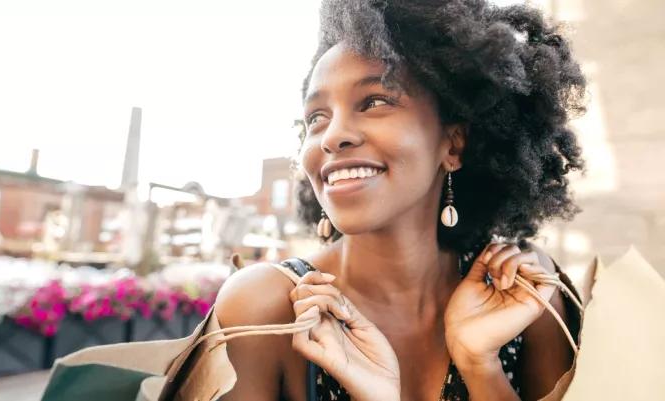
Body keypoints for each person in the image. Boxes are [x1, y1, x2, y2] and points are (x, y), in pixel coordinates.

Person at [214, 0, 586, 400]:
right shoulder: (265, 309)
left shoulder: (522, 293)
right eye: (316, 117)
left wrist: (481, 366)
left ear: (453, 144)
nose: (332, 135)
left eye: (374, 101)